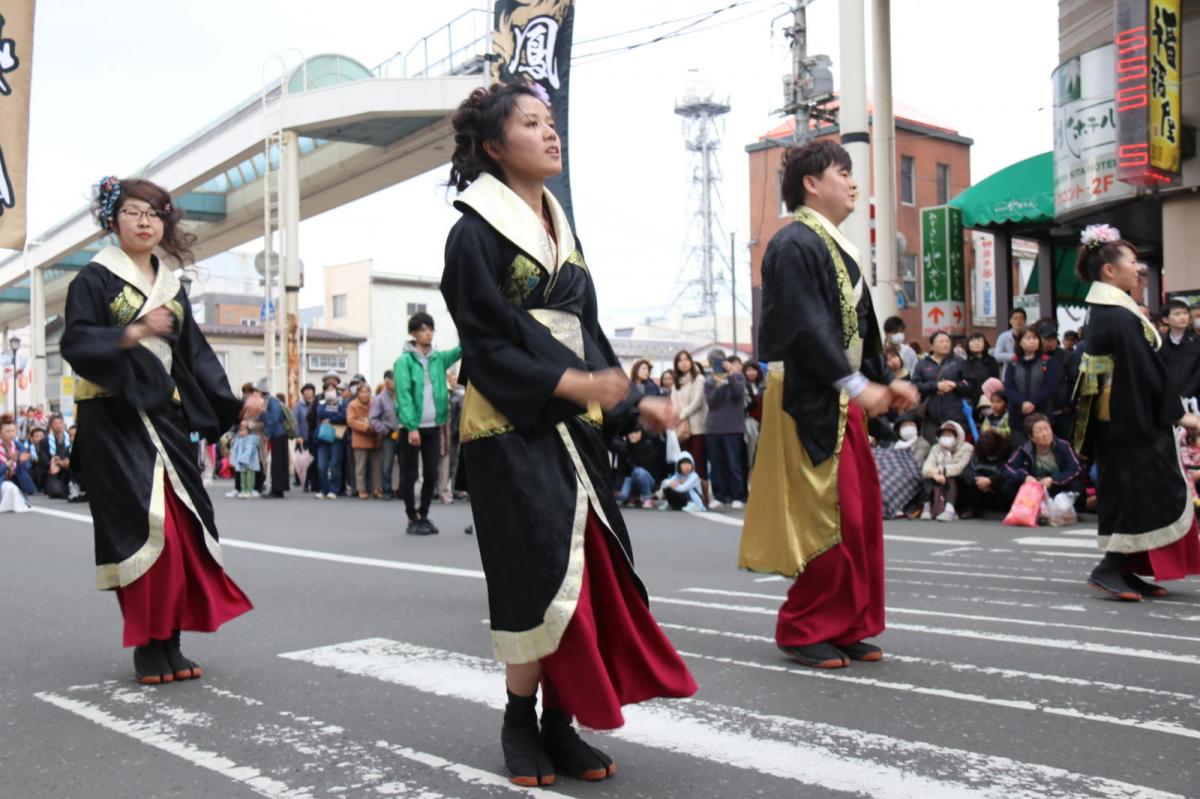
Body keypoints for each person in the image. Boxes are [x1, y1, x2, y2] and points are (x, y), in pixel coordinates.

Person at [441, 81, 696, 787]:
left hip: (574, 423)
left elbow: (587, 331)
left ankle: (560, 721)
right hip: (509, 428)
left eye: (550, 122)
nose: (551, 134)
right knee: (538, 574)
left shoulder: (560, 224)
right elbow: (485, 344)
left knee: (585, 574)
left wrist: (631, 401)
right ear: (493, 147)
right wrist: (574, 385)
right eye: (530, 124)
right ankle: (519, 718)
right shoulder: (471, 230)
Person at [61, 175, 255, 685]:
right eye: (132, 211)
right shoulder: (94, 279)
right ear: (112, 220)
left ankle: (171, 641)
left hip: (163, 419)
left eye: (154, 212)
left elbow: (194, 356)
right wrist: (134, 332)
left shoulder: (171, 286)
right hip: (115, 417)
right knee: (146, 529)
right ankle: (148, 644)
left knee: (184, 529)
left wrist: (232, 406)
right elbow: (78, 342)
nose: (145, 221)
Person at [739, 139, 918, 670]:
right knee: (825, 517)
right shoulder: (792, 243)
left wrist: (882, 384)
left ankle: (846, 622)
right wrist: (858, 385)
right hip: (807, 397)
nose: (853, 182)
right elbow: (804, 327)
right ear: (812, 184)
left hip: (841, 396)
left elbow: (858, 330)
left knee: (858, 518)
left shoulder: (838, 246)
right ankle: (803, 625)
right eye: (843, 172)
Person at [1072, 225, 1200, 600]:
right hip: (1129, 420)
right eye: (1132, 261)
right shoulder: (1116, 315)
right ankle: (1110, 567)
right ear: (1109, 270)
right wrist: (1180, 415)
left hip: (1124, 417)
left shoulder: (1112, 311)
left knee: (1137, 489)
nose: (1138, 267)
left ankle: (1126, 567)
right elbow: (1143, 372)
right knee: (1140, 489)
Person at [394, 313, 461, 534]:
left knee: (432, 473)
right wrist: (411, 427)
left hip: (434, 425)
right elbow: (403, 395)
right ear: (413, 333)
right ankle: (411, 516)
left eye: (430, 329)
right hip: (412, 428)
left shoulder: (437, 358)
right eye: (423, 329)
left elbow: (461, 351)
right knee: (410, 474)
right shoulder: (403, 362)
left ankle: (424, 514)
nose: (428, 333)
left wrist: (468, 325)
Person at [1002, 413, 1086, 513]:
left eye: (1047, 429)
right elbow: (1008, 468)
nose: (1045, 434)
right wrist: (1025, 477)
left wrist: (1053, 480)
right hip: (1034, 490)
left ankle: (1072, 513)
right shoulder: (1024, 449)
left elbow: (1075, 469)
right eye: (1039, 431)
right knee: (1008, 485)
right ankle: (1022, 511)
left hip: (1056, 488)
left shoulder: (1063, 446)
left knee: (1077, 486)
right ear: (1032, 437)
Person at [704, 350, 747, 509]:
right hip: (714, 428)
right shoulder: (709, 382)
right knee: (716, 464)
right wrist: (719, 386)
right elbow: (712, 403)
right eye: (713, 362)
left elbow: (738, 392)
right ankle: (719, 495)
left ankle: (737, 495)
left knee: (733, 462)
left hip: (733, 427)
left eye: (719, 362)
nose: (717, 365)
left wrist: (730, 373)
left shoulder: (737, 377)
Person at [1003, 327, 1059, 447]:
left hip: (1042, 414)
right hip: (1018, 417)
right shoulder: (1013, 363)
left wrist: (1033, 403)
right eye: (1028, 338)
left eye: (1035, 338)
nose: (1032, 341)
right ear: (1020, 342)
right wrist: (1021, 403)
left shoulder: (1048, 362)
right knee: (1020, 450)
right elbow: (1008, 387)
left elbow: (1051, 386)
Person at [912, 331, 972, 441]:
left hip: (956, 415)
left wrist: (955, 385)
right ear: (931, 345)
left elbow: (971, 384)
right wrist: (936, 386)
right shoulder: (922, 364)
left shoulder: (959, 362)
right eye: (941, 341)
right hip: (932, 417)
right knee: (935, 448)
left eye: (947, 341)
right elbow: (915, 385)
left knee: (955, 448)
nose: (945, 344)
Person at [670, 350, 709, 499]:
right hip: (681, 428)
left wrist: (681, 415)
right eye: (680, 360)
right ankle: (687, 497)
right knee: (684, 464)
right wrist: (676, 418)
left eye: (686, 359)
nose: (683, 363)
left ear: (691, 361)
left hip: (697, 426)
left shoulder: (699, 378)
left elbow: (698, 401)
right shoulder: (675, 383)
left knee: (698, 463)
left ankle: (703, 497)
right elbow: (673, 403)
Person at [873, 414, 927, 519]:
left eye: (911, 425)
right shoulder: (894, 443)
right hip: (892, 470)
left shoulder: (922, 443)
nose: (908, 428)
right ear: (898, 430)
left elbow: (917, 460)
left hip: (912, 472)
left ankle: (889, 508)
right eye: (905, 426)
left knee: (893, 482)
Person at [919, 421, 974, 522]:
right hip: (939, 480)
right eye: (943, 435)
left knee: (950, 478)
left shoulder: (967, 448)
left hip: (960, 484)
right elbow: (926, 468)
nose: (946, 438)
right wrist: (934, 474)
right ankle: (926, 508)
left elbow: (959, 468)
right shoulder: (936, 448)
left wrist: (940, 471)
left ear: (957, 436)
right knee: (928, 478)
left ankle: (950, 510)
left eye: (949, 435)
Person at [961, 430, 1012, 519]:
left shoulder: (1006, 454)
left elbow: (1008, 471)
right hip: (980, 485)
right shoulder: (977, 455)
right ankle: (972, 510)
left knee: (1008, 484)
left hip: (997, 485)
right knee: (968, 483)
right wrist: (979, 481)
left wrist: (991, 481)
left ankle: (1005, 510)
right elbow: (967, 472)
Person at [610, 426, 664, 508]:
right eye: (631, 433)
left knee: (638, 472)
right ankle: (633, 497)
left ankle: (647, 498)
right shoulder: (624, 447)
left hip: (647, 478)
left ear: (641, 433)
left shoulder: (648, 444)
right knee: (621, 495)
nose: (633, 435)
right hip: (630, 478)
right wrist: (618, 488)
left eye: (636, 432)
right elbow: (620, 470)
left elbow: (647, 465)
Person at [1158, 298, 1200, 402]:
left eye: (1185, 313)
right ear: (1165, 319)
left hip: (1194, 398)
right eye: (1177, 314)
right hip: (1167, 397)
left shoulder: (1196, 340)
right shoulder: (1160, 342)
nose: (1182, 317)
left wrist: (1186, 395)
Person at [369, 371, 402, 499]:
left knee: (404, 463)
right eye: (393, 379)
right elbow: (373, 419)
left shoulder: (402, 395)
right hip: (389, 435)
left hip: (403, 433)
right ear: (386, 381)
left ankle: (401, 490)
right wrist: (384, 429)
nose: (395, 382)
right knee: (386, 464)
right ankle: (387, 490)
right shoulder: (379, 399)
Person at [347, 381, 382, 499]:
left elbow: (380, 416)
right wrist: (365, 426)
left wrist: (374, 425)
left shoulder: (375, 403)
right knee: (360, 467)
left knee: (377, 466)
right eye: (362, 392)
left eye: (366, 392)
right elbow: (351, 421)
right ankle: (361, 489)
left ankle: (377, 489)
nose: (364, 394)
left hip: (375, 438)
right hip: (360, 438)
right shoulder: (353, 404)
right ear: (358, 393)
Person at [314, 379, 348, 499]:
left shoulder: (342, 402)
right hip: (323, 436)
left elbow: (343, 416)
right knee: (321, 465)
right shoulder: (321, 402)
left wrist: (331, 419)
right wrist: (332, 411)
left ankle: (334, 489)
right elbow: (320, 414)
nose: (330, 391)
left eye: (332, 389)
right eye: (327, 389)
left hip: (337, 435)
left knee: (335, 463)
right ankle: (324, 489)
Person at [0, 414, 37, 496]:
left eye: (13, 431)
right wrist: (7, 464)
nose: (11, 434)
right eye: (7, 431)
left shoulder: (18, 445)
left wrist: (20, 461)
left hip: (14, 478)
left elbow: (26, 468)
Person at [39, 415, 74, 499]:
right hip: (53, 471)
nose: (58, 425)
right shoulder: (45, 441)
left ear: (64, 425)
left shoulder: (70, 438)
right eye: (55, 423)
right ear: (51, 426)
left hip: (67, 469)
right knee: (56, 492)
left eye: (60, 423)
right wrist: (53, 464)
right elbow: (43, 458)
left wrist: (65, 463)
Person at [293, 383, 318, 492]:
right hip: (303, 438)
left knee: (315, 462)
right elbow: (295, 421)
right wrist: (297, 435)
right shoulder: (298, 405)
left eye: (310, 390)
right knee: (304, 462)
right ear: (303, 393)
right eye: (306, 391)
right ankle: (305, 483)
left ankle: (315, 484)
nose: (308, 392)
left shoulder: (317, 403)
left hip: (316, 437)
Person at [963, 333, 999, 403]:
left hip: (987, 398)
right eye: (973, 341)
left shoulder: (991, 360)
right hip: (968, 398)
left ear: (984, 344)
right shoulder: (963, 361)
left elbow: (995, 378)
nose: (976, 343)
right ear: (968, 344)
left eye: (979, 341)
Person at [229, 420, 261, 498]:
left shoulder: (251, 439)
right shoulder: (238, 439)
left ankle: (249, 490)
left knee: (249, 477)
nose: (241, 432)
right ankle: (243, 490)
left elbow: (249, 451)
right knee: (242, 477)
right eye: (240, 430)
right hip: (241, 462)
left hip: (250, 463)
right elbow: (234, 450)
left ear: (248, 431)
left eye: (243, 430)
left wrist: (242, 459)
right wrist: (234, 460)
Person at [994, 308, 1026, 378]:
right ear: (1010, 321)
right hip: (1009, 373)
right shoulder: (1003, 336)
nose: (1018, 321)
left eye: (1021, 318)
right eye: (1015, 318)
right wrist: (1013, 357)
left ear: (1024, 321)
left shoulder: (1028, 335)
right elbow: (997, 355)